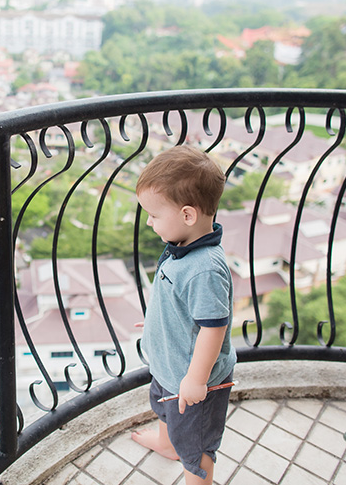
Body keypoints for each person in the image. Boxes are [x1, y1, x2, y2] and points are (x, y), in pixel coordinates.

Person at [131, 145, 236, 485]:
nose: (148, 221)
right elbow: (180, 304)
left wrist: (196, 379)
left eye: (154, 215)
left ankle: (194, 474)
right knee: (164, 409)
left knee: (197, 445)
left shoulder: (204, 268)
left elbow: (212, 328)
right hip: (169, 364)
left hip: (193, 378)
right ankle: (166, 443)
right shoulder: (181, 247)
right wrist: (157, 323)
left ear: (188, 215)